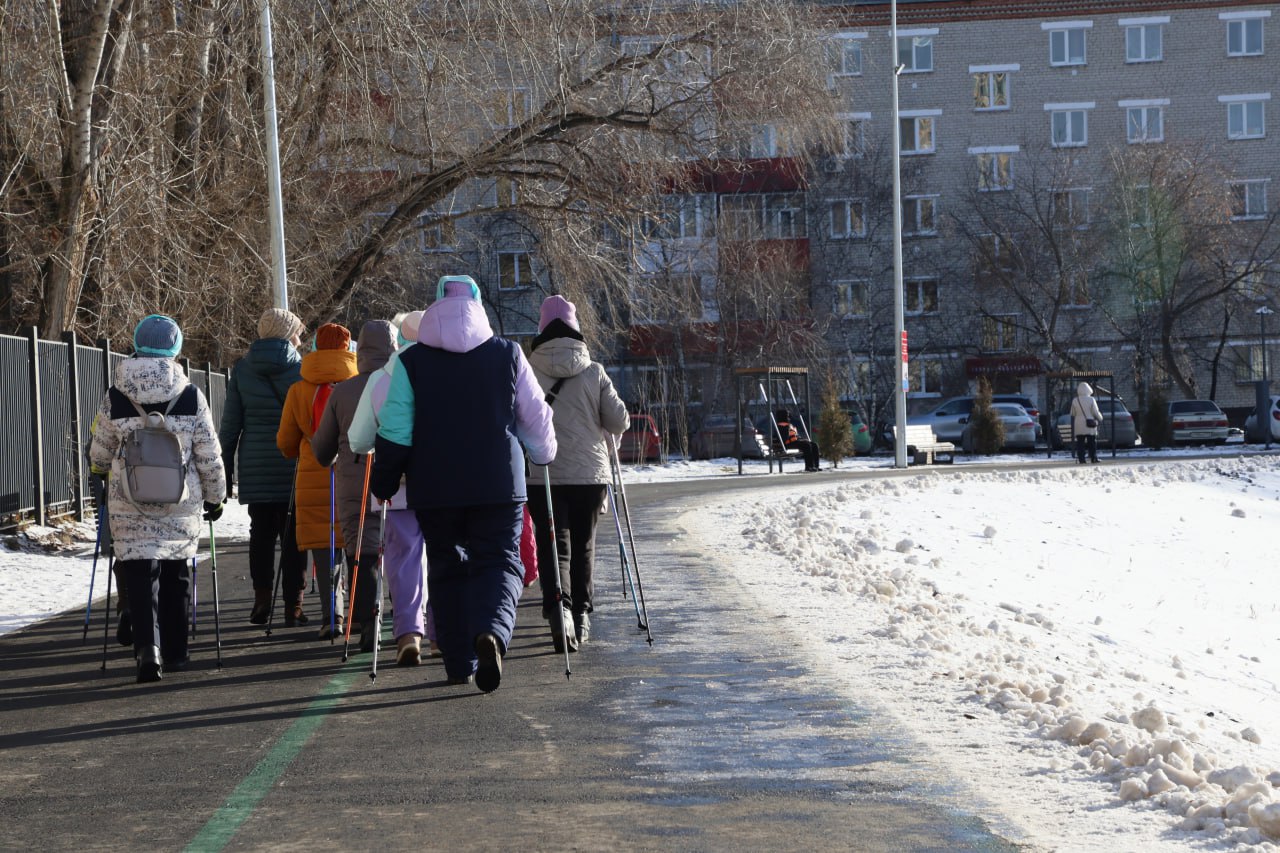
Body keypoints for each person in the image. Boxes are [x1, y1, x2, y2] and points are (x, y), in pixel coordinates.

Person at [371, 275, 556, 693]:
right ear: (478, 306)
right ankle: (491, 631)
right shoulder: (507, 353)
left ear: (435, 306)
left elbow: (396, 428)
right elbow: (535, 417)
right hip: (497, 483)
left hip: (435, 486)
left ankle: (458, 662)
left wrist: (384, 479)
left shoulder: (411, 361)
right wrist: (544, 451)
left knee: (447, 567)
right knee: (503, 561)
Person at [88, 315, 226, 683]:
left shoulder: (115, 395)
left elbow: (100, 454)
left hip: (128, 501)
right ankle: (177, 651)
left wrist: (101, 474)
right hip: (179, 501)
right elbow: (209, 456)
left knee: (139, 572)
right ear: (176, 350)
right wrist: (216, 497)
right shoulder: (191, 395)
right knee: (175, 574)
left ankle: (147, 649)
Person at [525, 295, 628, 651]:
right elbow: (618, 421)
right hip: (589, 476)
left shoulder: (527, 369)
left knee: (554, 546)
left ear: (541, 328)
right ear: (576, 328)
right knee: (583, 546)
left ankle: (559, 611)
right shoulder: (593, 371)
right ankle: (581, 616)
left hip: (543, 474)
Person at [349, 310, 438, 665]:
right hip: (440, 481)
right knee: (444, 554)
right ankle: (441, 632)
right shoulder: (444, 372)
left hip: (395, 486)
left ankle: (407, 631)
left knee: (403, 559)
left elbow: (358, 440)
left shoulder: (382, 378)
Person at [311, 319, 397, 653]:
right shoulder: (403, 387)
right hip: (399, 480)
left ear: (358, 352)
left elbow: (321, 451)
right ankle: (409, 625)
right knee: (404, 552)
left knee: (362, 554)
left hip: (354, 483)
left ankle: (366, 622)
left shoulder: (341, 392)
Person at [219, 308, 308, 626]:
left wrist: (224, 469)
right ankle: (293, 606)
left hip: (255, 466)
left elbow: (230, 425)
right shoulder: (301, 368)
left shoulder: (242, 370)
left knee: (260, 534)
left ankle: (261, 599)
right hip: (293, 463)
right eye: (297, 330)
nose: (300, 336)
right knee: (295, 537)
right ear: (287, 334)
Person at [277, 322, 358, 639]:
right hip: (352, 472)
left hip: (313, 477)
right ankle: (361, 614)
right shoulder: (358, 387)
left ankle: (331, 616)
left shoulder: (299, 390)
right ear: (347, 350)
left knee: (325, 548)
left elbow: (285, 441)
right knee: (355, 546)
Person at [1070, 381, 1104, 464]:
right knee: (1091, 441)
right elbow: (1096, 412)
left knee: (1080, 443)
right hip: (1089, 423)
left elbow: (1072, 413)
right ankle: (1093, 457)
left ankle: (1082, 459)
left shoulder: (1075, 400)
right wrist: (1100, 418)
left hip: (1078, 424)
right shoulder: (1091, 399)